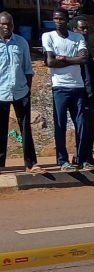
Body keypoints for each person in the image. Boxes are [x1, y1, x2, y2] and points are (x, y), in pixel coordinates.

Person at [43, 8, 90, 171]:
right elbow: (50, 62)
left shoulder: (77, 37)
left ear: (67, 20)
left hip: (77, 86)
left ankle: (82, 159)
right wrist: (72, 60)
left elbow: (83, 59)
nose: (58, 22)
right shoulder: (48, 36)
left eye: (61, 19)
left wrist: (63, 58)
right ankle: (62, 160)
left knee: (81, 124)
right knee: (60, 124)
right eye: (55, 19)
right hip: (59, 87)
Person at [0, 12, 44, 174]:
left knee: (26, 129)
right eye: (3, 24)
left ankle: (31, 164)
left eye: (9, 24)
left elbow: (27, 69)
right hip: (1, 92)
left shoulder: (21, 42)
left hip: (20, 91)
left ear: (13, 25)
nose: (6, 27)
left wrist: (28, 91)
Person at [72, 18, 94, 166]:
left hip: (90, 95)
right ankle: (81, 157)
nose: (85, 32)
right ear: (74, 30)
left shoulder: (84, 48)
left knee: (92, 124)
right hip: (82, 94)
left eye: (86, 29)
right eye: (82, 29)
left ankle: (88, 155)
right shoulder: (75, 48)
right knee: (84, 125)